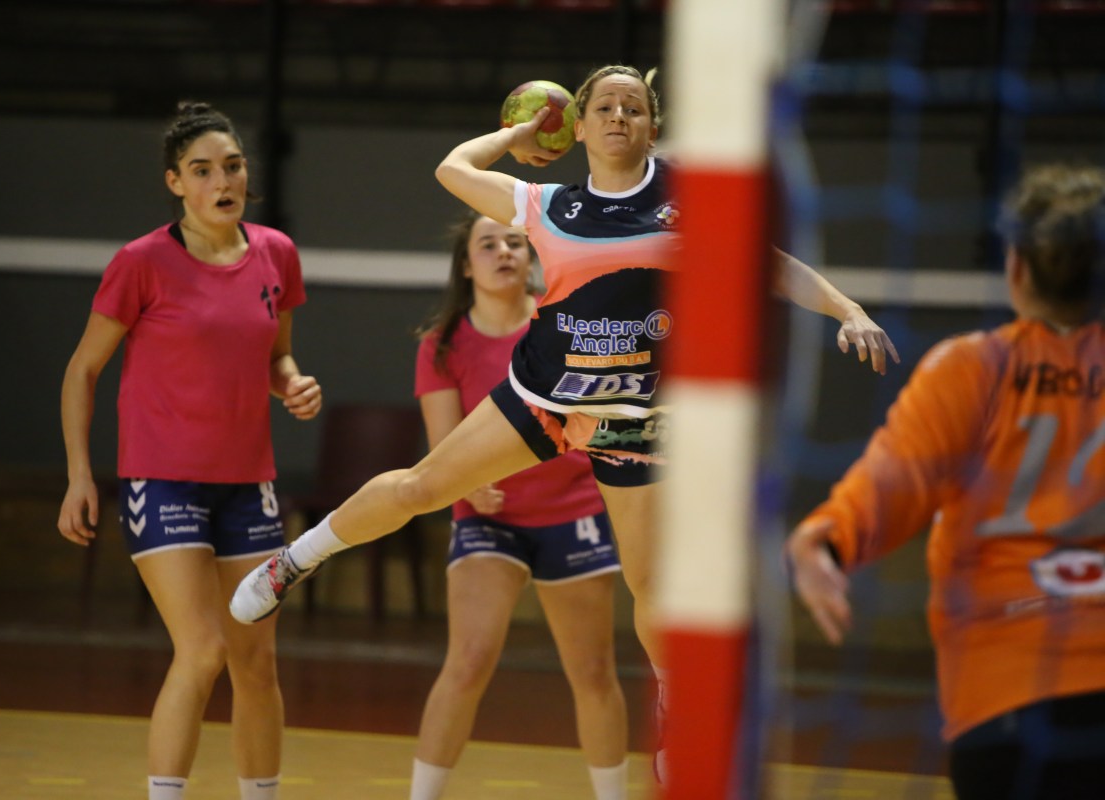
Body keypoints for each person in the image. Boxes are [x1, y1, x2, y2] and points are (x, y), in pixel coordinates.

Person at [230, 64, 896, 779]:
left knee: (650, 587)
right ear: (578, 126)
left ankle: (674, 701)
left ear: (652, 126)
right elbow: (452, 168)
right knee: (423, 486)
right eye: (603, 106)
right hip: (547, 398)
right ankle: (294, 560)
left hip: (635, 420)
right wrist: (520, 133)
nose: (618, 117)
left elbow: (769, 264)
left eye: (633, 107)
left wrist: (848, 310)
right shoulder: (546, 204)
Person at [785, 163, 1105, 800]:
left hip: (1005, 700)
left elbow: (893, 479)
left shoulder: (973, 369)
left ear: (1015, 267)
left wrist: (825, 538)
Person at [57, 101, 322, 800]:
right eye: (202, 170)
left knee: (255, 658)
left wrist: (292, 384)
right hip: (162, 482)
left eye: (231, 166)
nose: (221, 181)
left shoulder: (276, 254)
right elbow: (83, 370)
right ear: (176, 183)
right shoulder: (142, 263)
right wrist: (79, 476)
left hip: (247, 485)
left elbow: (278, 356)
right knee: (202, 650)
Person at [410, 209, 629, 800]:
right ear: (466, 264)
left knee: (592, 673)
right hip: (489, 520)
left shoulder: (559, 322)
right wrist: (465, 482)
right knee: (470, 658)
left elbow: (597, 414)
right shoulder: (441, 344)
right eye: (489, 244)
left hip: (573, 510)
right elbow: (443, 447)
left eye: (515, 241)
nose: (505, 251)